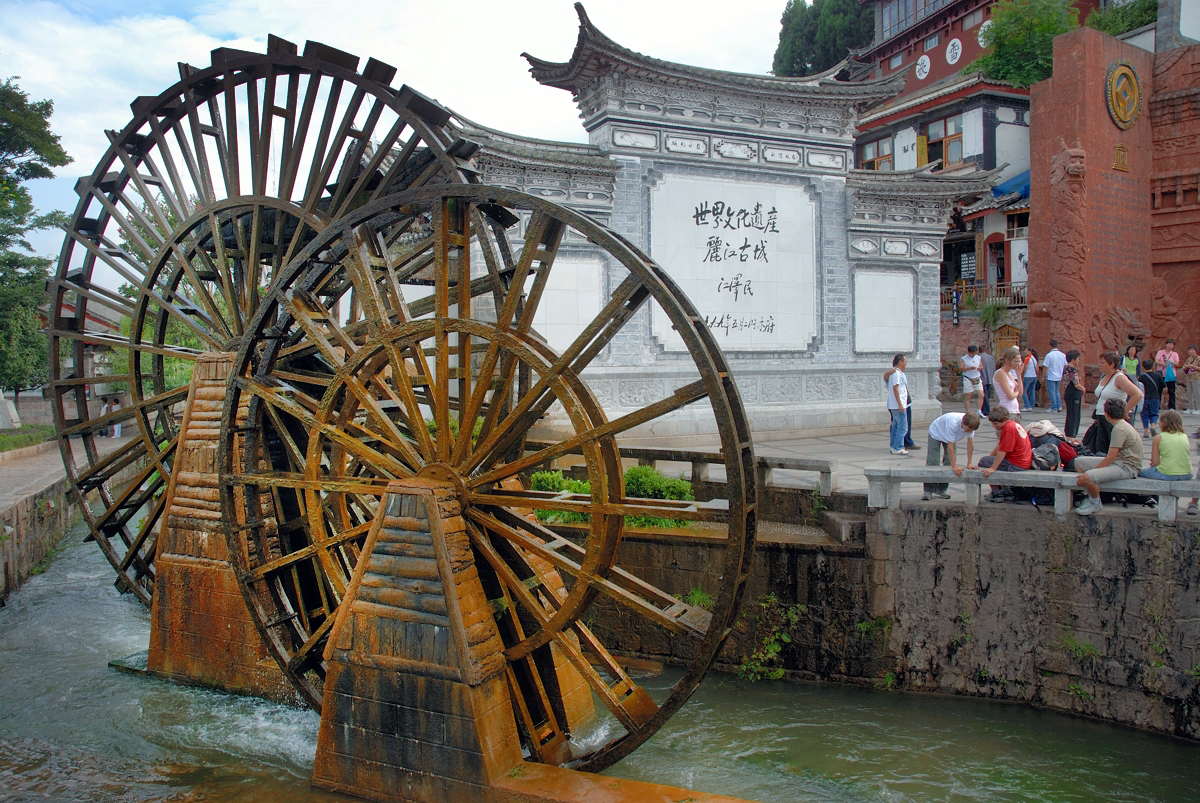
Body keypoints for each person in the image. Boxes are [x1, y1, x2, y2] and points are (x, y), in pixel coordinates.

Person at [1072, 398, 1144, 515]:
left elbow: (1110, 458)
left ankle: (1095, 502)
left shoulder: (1120, 429)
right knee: (1079, 462)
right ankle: (1090, 493)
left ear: (1106, 414)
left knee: (1088, 477)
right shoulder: (1121, 425)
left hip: (1128, 467)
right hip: (1119, 462)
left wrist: (1091, 473)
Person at [1087, 351, 1144, 453]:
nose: (1100, 365)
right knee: (1101, 448)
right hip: (1102, 416)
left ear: (1112, 364)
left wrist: (1125, 411)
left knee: (1113, 447)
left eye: (1103, 362)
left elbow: (1137, 394)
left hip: (1113, 418)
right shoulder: (1104, 376)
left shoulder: (1119, 378)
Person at [922, 411, 980, 500]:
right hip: (936, 433)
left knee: (949, 462)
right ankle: (928, 490)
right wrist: (955, 466)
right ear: (963, 423)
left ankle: (942, 489)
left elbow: (970, 444)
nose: (969, 432)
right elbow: (950, 447)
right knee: (933, 461)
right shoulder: (952, 422)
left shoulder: (971, 425)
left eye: (971, 430)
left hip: (951, 437)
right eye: (968, 429)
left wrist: (969, 463)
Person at [979, 407, 1032, 502]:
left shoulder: (1008, 429)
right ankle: (1007, 492)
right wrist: (990, 458)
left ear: (1005, 420)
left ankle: (996, 493)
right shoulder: (1014, 425)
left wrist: (992, 468)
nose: (994, 426)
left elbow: (1003, 451)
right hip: (1022, 462)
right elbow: (1000, 446)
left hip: (1016, 464)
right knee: (988, 461)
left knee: (983, 462)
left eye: (995, 424)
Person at [1139, 410, 1192, 481]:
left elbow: (1155, 463)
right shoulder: (1184, 436)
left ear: (1163, 423)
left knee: (1139, 471)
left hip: (1166, 473)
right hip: (1186, 474)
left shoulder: (1158, 437)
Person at [886, 354, 910, 456]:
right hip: (897, 405)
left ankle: (893, 446)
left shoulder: (897, 373)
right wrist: (900, 404)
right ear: (900, 362)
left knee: (896, 426)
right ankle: (898, 447)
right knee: (902, 427)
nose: (906, 363)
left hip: (896, 404)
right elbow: (895, 389)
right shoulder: (895, 373)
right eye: (905, 361)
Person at [994, 347, 1023, 420]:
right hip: (1007, 410)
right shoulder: (1000, 373)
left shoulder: (1009, 373)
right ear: (1007, 360)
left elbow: (1021, 392)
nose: (1017, 364)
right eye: (1015, 361)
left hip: (1015, 410)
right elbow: (1010, 395)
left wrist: (1019, 376)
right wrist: (1016, 391)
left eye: (1019, 361)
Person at [1138, 359, 1163, 438]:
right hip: (1155, 397)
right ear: (1153, 366)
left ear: (1144, 367)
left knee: (1144, 414)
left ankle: (1145, 432)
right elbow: (1163, 385)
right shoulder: (1158, 375)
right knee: (1154, 413)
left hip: (1145, 398)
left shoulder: (1141, 377)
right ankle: (1153, 426)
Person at [1063, 350, 1086, 437]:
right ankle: (1071, 434)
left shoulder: (1065, 368)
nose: (1078, 361)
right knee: (1074, 415)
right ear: (1073, 359)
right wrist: (1083, 388)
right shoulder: (1071, 369)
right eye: (1078, 359)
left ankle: (1069, 433)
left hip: (1068, 393)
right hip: (1073, 394)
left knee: (1070, 415)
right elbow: (1076, 384)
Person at [1155, 338, 1181, 410]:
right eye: (1169, 344)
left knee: (1171, 391)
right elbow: (1156, 361)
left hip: (1171, 374)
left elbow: (1177, 363)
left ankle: (1172, 406)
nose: (1170, 346)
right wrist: (1164, 364)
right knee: (1159, 390)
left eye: (1172, 345)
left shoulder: (1174, 354)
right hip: (1161, 374)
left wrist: (1170, 362)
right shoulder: (1160, 352)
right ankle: (1157, 406)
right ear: (1166, 345)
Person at [1042, 340, 1067, 413]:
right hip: (1059, 375)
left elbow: (1046, 366)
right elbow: (1065, 365)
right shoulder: (1062, 355)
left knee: (1052, 392)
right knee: (1056, 391)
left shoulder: (1049, 355)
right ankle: (1059, 406)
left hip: (1051, 375)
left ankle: (1054, 407)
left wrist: (1043, 376)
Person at [1122, 343, 1143, 425]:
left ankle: (1131, 407)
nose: (1132, 351)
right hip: (1125, 377)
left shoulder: (1137, 360)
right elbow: (1120, 366)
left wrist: (1138, 378)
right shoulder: (1124, 358)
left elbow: (1139, 371)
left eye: (1134, 350)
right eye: (1131, 349)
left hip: (1133, 378)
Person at [960, 345, 983, 414]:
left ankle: (979, 410)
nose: (973, 354)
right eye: (972, 353)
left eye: (975, 353)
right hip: (968, 377)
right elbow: (961, 368)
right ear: (969, 352)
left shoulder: (978, 358)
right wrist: (969, 368)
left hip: (976, 377)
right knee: (968, 395)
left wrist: (980, 368)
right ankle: (968, 411)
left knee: (981, 395)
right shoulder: (964, 359)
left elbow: (981, 366)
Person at [1182, 345, 1200, 414]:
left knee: (1197, 393)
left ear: (1196, 351)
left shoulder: (1198, 358)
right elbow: (1184, 367)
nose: (1191, 352)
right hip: (1189, 378)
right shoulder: (1188, 359)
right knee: (1189, 393)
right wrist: (1186, 367)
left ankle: (1198, 408)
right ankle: (1190, 408)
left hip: (1196, 377)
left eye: (1192, 350)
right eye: (1190, 350)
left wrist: (1194, 367)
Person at [979, 347, 996, 416]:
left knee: (984, 394)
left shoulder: (979, 358)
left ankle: (986, 410)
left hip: (983, 377)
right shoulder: (991, 357)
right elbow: (993, 368)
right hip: (990, 378)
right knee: (985, 393)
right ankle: (984, 409)